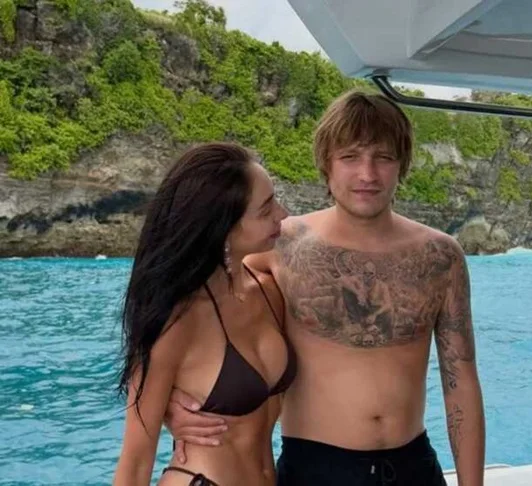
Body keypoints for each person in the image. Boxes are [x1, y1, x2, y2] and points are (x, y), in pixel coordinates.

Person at [164, 90, 486, 486]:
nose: (367, 174)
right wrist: (166, 404)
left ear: (402, 164)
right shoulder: (280, 246)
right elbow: (182, 315)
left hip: (414, 467)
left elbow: (461, 382)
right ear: (326, 164)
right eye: (350, 157)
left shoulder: (441, 256)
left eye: (383, 157)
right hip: (315, 469)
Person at [112, 142, 292, 486]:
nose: (282, 214)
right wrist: (163, 408)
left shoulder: (267, 289)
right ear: (223, 227)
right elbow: (135, 463)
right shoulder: (178, 320)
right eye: (266, 209)